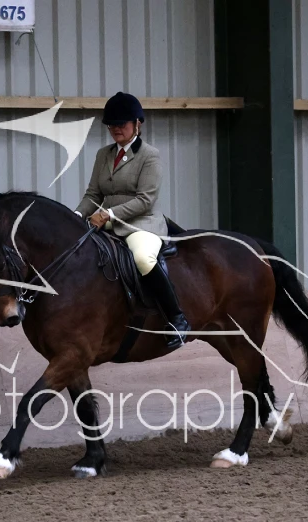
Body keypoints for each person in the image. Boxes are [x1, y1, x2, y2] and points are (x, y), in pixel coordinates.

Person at [74, 91, 191, 351]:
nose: (116, 129)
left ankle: (177, 319)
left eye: (122, 124)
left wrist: (109, 214)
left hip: (141, 223)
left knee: (142, 258)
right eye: (111, 125)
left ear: (137, 124)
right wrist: (76, 216)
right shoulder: (103, 155)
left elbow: (145, 200)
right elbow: (93, 195)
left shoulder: (150, 155)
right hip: (107, 222)